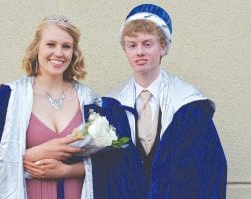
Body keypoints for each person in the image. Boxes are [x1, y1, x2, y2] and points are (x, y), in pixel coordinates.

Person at [82, 3, 227, 199]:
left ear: (164, 47)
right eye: (132, 45)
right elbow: (100, 172)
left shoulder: (190, 106)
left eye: (147, 44)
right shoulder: (110, 106)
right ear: (124, 49)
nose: (139, 52)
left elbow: (210, 170)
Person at [0, 15, 98, 199]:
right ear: (37, 47)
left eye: (66, 46)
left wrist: (67, 170)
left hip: (77, 192)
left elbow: (109, 164)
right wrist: (33, 154)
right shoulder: (10, 97)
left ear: (74, 52)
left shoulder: (88, 98)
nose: (59, 53)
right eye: (51, 44)